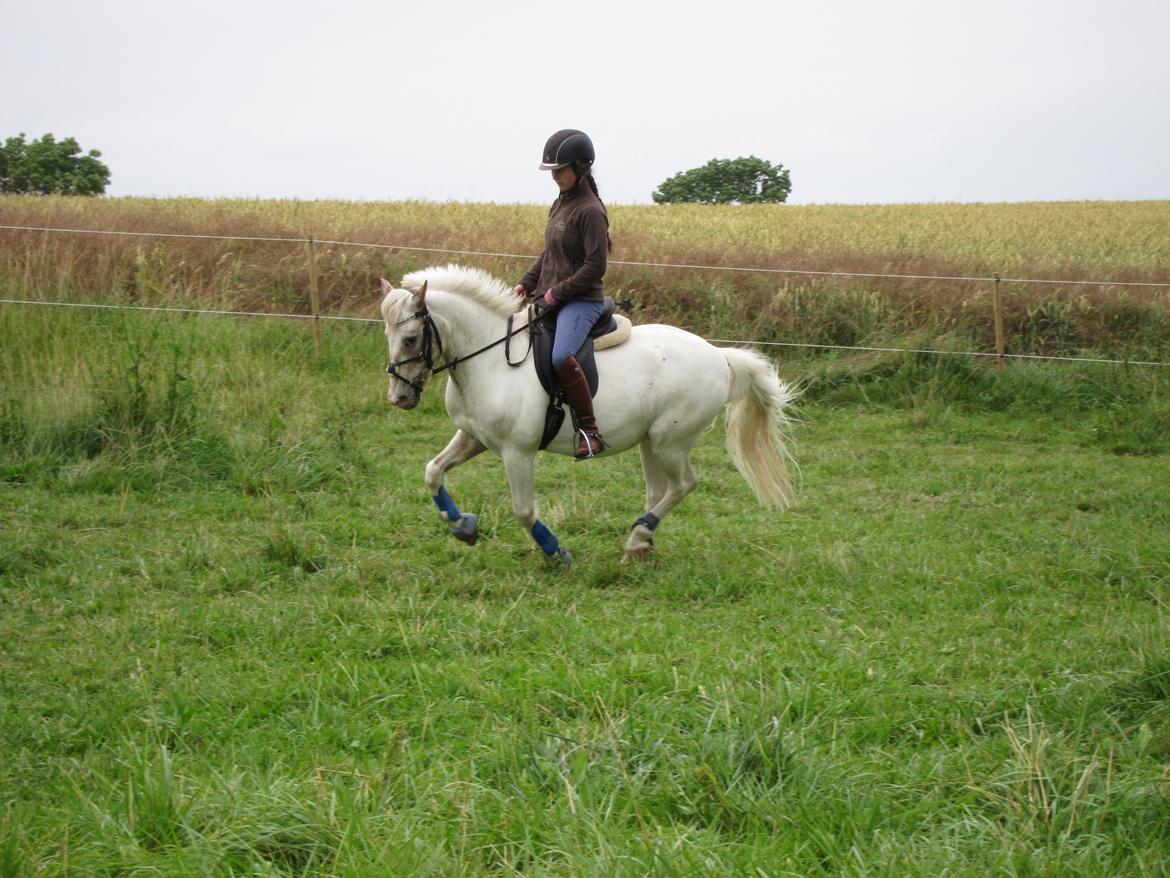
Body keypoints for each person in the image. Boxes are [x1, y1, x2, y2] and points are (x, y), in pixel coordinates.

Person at [513, 128, 613, 459]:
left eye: (560, 169)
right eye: (552, 171)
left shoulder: (590, 211)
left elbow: (595, 266)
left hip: (582, 301)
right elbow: (549, 255)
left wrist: (557, 293)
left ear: (580, 167)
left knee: (560, 356)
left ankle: (590, 431)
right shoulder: (560, 204)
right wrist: (527, 283)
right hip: (550, 297)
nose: (555, 176)